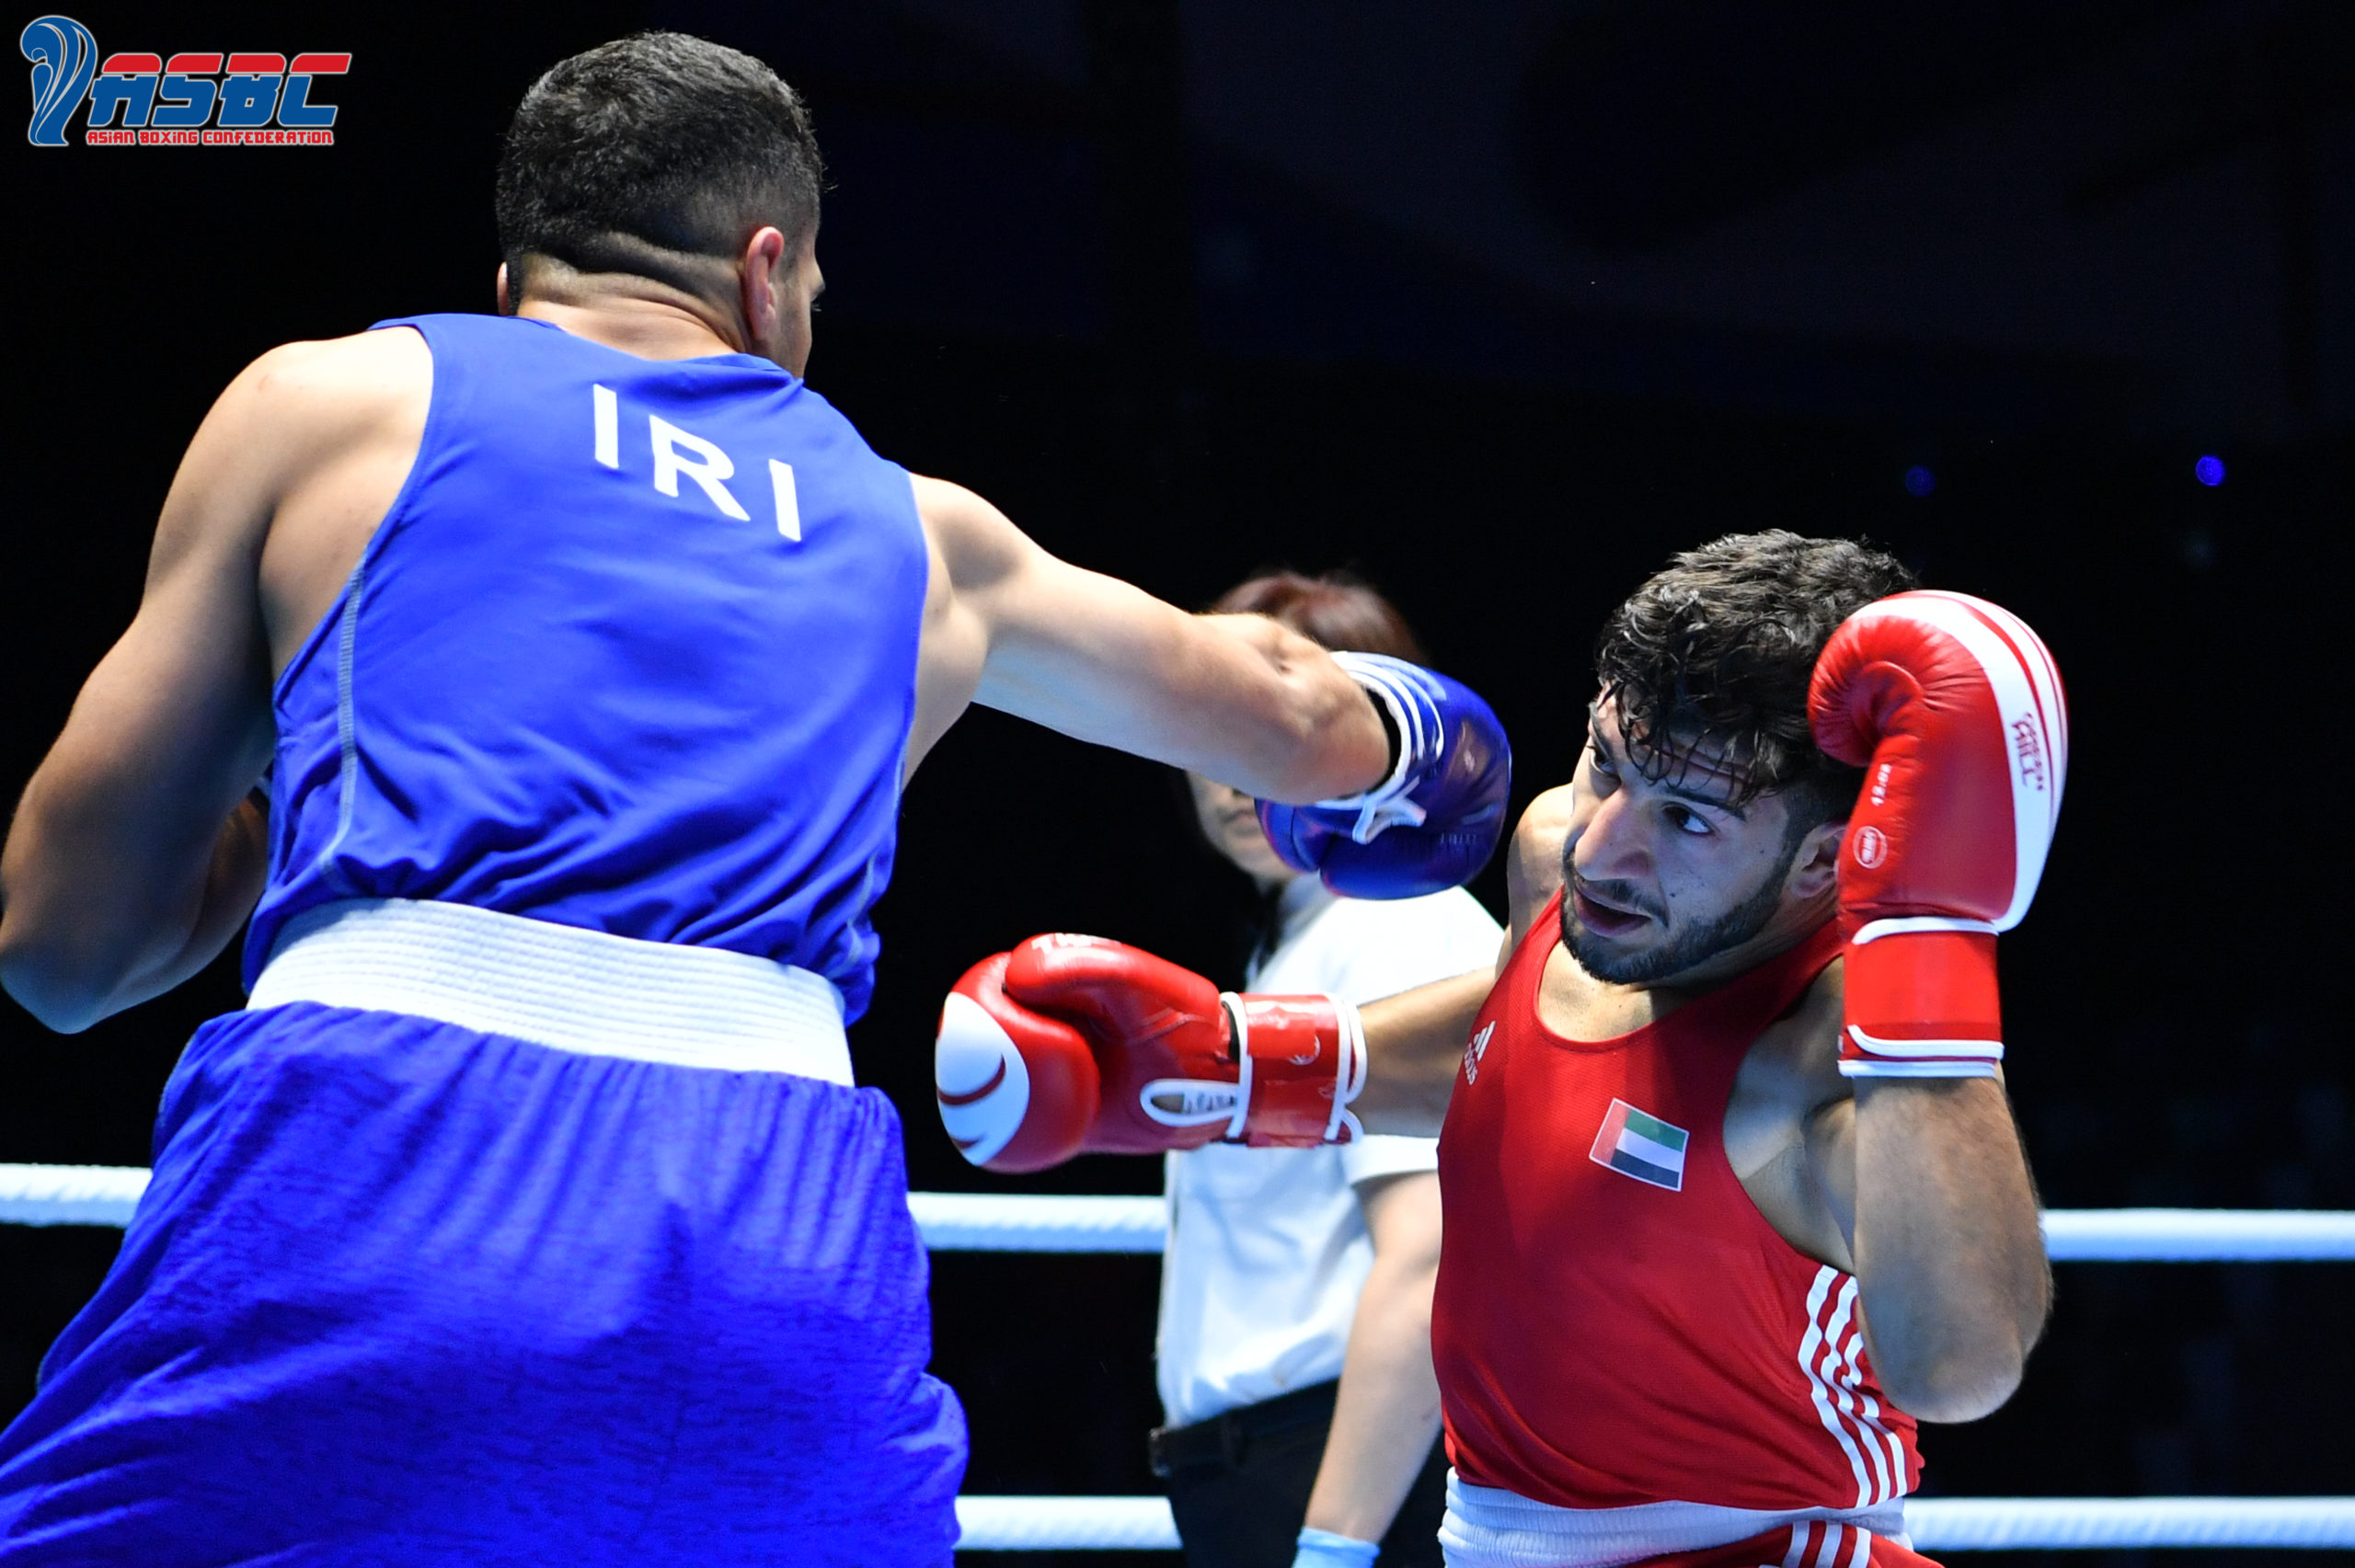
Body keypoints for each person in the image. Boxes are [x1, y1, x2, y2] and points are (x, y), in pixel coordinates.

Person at [0, 34, 1511, 1568]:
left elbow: (61, 955)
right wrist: (1427, 765)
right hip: (767, 1229)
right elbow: (1305, 720)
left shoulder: (329, 406)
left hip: (367, 1168)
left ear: (523, 271)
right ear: (766, 269)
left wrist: (288, 781)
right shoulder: (926, 536)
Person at [937, 532, 2062, 1568]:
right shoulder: (1559, 861)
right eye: (1610, 765)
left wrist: (1931, 944)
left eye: (1689, 819)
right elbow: (1525, 1033)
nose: (1607, 846)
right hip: (1485, 1536)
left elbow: (1961, 1366)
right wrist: (1255, 1065)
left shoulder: (1827, 1047)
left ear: (1825, 863)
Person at [1139, 574, 1507, 1566]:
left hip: (1342, 1472)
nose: (1226, 773)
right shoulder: (1298, 946)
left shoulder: (1403, 924)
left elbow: (1429, 1257)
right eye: (1207, 716)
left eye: (1267, 723)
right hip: (1276, 1471)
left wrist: (1333, 1546)